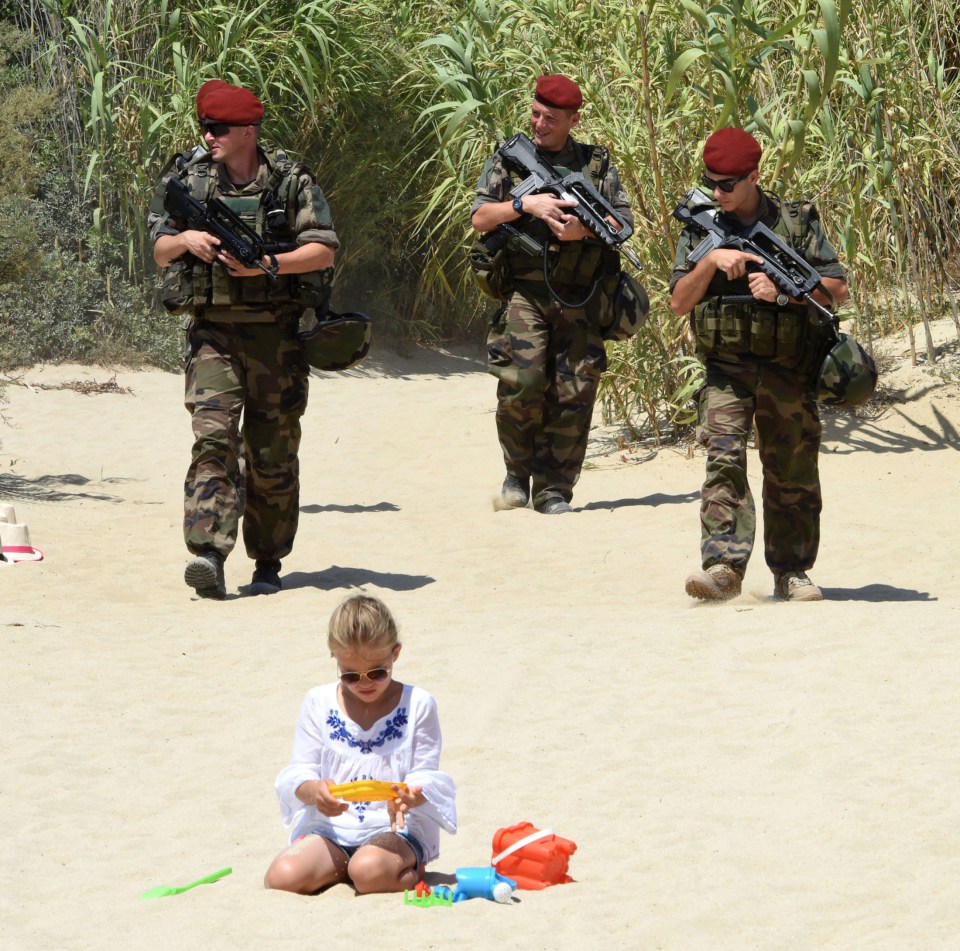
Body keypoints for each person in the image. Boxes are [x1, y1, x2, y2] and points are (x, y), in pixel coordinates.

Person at [147, 79, 338, 599]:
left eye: (219, 128)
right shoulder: (191, 179)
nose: (208, 135)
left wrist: (266, 266)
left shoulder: (289, 180)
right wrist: (185, 238)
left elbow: (322, 249)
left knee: (271, 454)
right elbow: (161, 249)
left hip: (278, 338)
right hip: (214, 336)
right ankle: (209, 551)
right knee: (213, 441)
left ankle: (268, 560)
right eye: (205, 127)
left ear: (248, 131)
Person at [669, 127, 849, 603]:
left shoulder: (794, 223)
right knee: (723, 460)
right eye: (710, 182)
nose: (717, 193)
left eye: (728, 184)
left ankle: (791, 572)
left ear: (754, 176)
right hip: (726, 368)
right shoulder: (702, 225)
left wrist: (785, 292)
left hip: (786, 367)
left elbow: (837, 291)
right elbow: (679, 302)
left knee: (790, 468)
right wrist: (710, 262)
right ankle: (723, 569)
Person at [471, 74, 634, 514]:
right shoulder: (510, 160)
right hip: (526, 292)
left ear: (573, 120)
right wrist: (527, 205)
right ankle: (516, 475)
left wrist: (583, 229)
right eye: (536, 114)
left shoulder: (595, 165)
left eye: (551, 118)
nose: (540, 124)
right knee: (521, 383)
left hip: (580, 295)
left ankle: (554, 489)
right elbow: (482, 217)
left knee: (574, 391)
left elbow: (622, 224)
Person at [264, 595, 457, 895]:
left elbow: (425, 774)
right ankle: (344, 866)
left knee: (366, 871)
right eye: (350, 676)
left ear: (396, 654)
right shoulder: (318, 702)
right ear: (335, 659)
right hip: (330, 830)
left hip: (393, 829)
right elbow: (299, 772)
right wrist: (315, 791)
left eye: (378, 673)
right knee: (282, 877)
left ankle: (406, 866)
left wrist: (411, 795)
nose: (365, 683)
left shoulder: (418, 704)